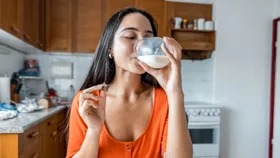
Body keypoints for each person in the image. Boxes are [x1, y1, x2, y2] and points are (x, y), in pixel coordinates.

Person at [66, 7, 193, 158]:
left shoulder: (165, 100)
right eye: (130, 36)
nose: (141, 45)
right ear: (110, 48)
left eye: (147, 39)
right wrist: (93, 131)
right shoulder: (88, 101)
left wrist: (175, 92)